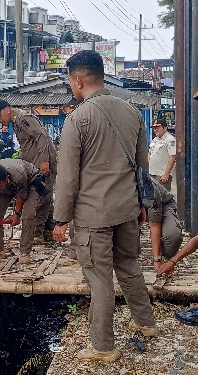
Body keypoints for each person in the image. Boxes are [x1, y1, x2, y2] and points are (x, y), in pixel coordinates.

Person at [53, 50, 157, 363]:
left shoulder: (77, 119)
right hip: (126, 210)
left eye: (71, 81)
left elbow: (68, 178)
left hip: (92, 215)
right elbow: (142, 166)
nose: (72, 87)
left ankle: (102, 346)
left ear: (79, 79)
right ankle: (147, 324)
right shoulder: (132, 112)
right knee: (129, 267)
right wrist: (142, 204)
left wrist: (60, 220)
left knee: (99, 280)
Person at [0, 100, 57, 244]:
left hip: (43, 162)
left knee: (40, 197)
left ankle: (37, 233)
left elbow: (41, 137)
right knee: (46, 196)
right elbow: (28, 147)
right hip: (33, 163)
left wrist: (45, 160)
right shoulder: (15, 123)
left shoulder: (24, 119)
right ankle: (48, 230)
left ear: (7, 109)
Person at [0, 159, 48, 264]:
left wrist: (17, 215)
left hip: (29, 182)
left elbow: (21, 197)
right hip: (10, 186)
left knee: (28, 215)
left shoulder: (18, 176)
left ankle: (25, 252)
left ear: (6, 179)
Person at [145, 176, 183, 272]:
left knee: (173, 235)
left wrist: (157, 258)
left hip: (163, 205)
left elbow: (154, 224)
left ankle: (166, 257)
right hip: (134, 210)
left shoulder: (150, 189)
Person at [148, 119, 176, 191]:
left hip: (161, 175)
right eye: (154, 128)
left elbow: (172, 157)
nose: (155, 130)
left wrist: (166, 174)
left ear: (165, 128)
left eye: (158, 127)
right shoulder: (155, 139)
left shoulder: (170, 140)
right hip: (152, 173)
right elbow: (149, 153)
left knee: (163, 198)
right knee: (154, 197)